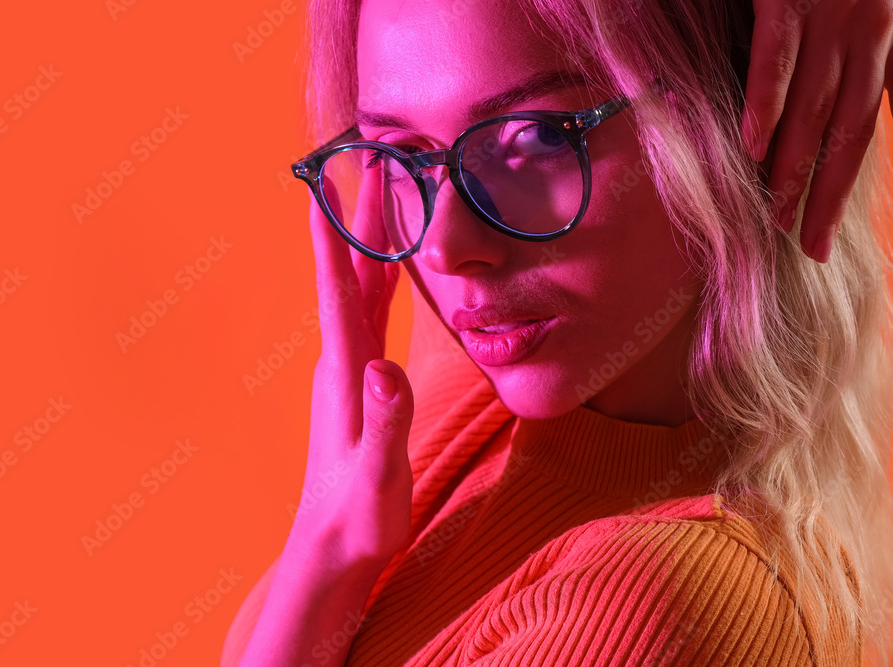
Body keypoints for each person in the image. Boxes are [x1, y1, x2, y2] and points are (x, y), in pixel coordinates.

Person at [223, 0, 893, 664]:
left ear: (731, 111)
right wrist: (329, 543)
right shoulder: (472, 404)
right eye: (403, 153)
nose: (443, 247)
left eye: (539, 136)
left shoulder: (665, 604)